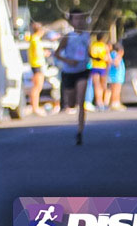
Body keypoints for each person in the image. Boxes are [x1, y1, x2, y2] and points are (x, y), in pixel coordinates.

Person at [54, 9, 91, 144]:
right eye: (76, 19)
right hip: (69, 72)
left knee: (81, 102)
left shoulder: (87, 36)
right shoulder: (67, 37)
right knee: (71, 103)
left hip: (82, 71)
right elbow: (56, 54)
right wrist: (68, 61)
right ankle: (70, 103)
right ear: (71, 21)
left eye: (81, 18)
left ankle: (80, 131)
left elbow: (88, 52)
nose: (79, 21)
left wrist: (95, 57)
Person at [26, 22, 47, 116]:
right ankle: (35, 107)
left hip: (35, 64)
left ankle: (35, 106)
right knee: (37, 86)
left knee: (37, 86)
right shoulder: (36, 39)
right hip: (37, 64)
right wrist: (44, 53)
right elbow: (38, 53)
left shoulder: (33, 39)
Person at [88, 34, 110, 111]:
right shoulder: (104, 46)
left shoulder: (93, 46)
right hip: (102, 67)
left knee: (96, 85)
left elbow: (90, 55)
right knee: (103, 85)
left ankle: (99, 102)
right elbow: (108, 58)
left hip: (94, 66)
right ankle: (105, 102)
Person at [107, 42, 126, 110]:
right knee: (116, 89)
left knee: (115, 89)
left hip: (116, 75)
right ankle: (115, 103)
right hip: (116, 75)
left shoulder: (113, 54)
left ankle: (116, 102)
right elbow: (116, 63)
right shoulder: (116, 55)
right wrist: (119, 56)